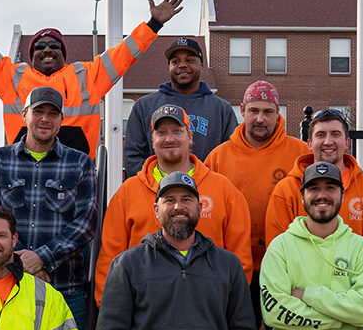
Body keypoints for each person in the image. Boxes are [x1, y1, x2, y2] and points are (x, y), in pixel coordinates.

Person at [0, 0, 185, 154]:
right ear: (31, 53)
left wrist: (153, 24)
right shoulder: (11, 76)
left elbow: (125, 53)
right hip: (23, 169)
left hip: (74, 170)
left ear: (64, 54)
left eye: (54, 46)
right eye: (40, 46)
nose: (47, 50)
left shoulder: (87, 76)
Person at [0, 87, 99, 330]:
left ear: (61, 120)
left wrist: (42, 258)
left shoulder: (81, 163)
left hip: (65, 289)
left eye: (53, 113)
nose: (45, 119)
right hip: (7, 288)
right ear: (24, 114)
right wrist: (22, 263)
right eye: (38, 111)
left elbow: (86, 223)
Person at [95, 172, 258, 330]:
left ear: (199, 207)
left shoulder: (228, 265)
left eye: (186, 199)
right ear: (156, 210)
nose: (178, 207)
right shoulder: (128, 264)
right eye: (169, 200)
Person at [97, 104, 252, 301]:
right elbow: (109, 263)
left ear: (190, 137)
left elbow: (240, 263)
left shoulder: (225, 191)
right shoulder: (127, 193)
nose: (169, 139)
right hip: (144, 314)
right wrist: (114, 314)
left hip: (208, 310)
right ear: (152, 140)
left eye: (177, 131)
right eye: (161, 132)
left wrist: (227, 309)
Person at [257, 162, 363, 330]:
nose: (321, 195)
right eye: (314, 188)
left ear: (342, 195)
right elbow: (274, 312)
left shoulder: (362, 249)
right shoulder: (280, 247)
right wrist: (339, 318)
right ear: (302, 196)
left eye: (330, 188)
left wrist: (309, 295)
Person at [264, 109, 363, 273]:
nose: (328, 141)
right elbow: (277, 252)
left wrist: (344, 283)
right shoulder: (285, 191)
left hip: (356, 293)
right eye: (320, 135)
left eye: (335, 134)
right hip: (301, 294)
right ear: (309, 143)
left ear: (347, 143)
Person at [204, 80, 309, 270]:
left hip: (289, 265)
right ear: (242, 110)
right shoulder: (218, 157)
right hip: (234, 265)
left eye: (268, 112)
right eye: (254, 111)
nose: (260, 118)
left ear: (278, 113)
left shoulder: (300, 153)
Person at [122, 37, 239, 178]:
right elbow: (133, 156)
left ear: (202, 67)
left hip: (207, 195)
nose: (182, 65)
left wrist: (211, 186)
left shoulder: (222, 109)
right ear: (169, 67)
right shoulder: (144, 106)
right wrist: (160, 187)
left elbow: (231, 158)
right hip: (156, 195)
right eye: (175, 61)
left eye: (189, 60)